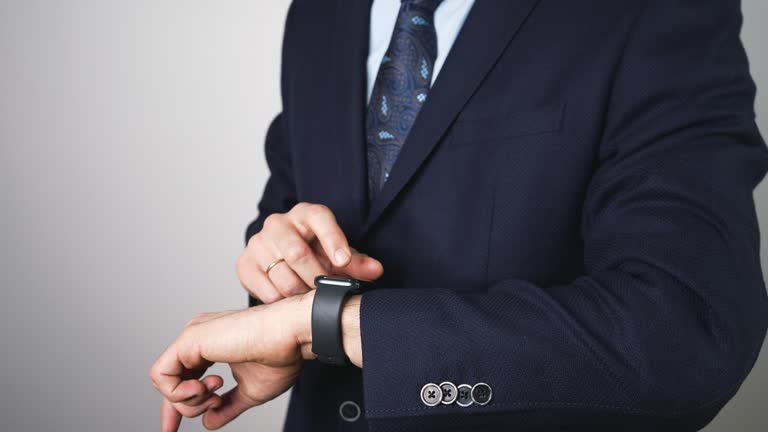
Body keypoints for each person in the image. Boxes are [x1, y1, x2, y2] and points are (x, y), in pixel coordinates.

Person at [149, 0, 768, 431]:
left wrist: (329, 325)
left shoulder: (651, 10)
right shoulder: (315, 14)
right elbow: (284, 215)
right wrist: (274, 273)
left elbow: (686, 331)